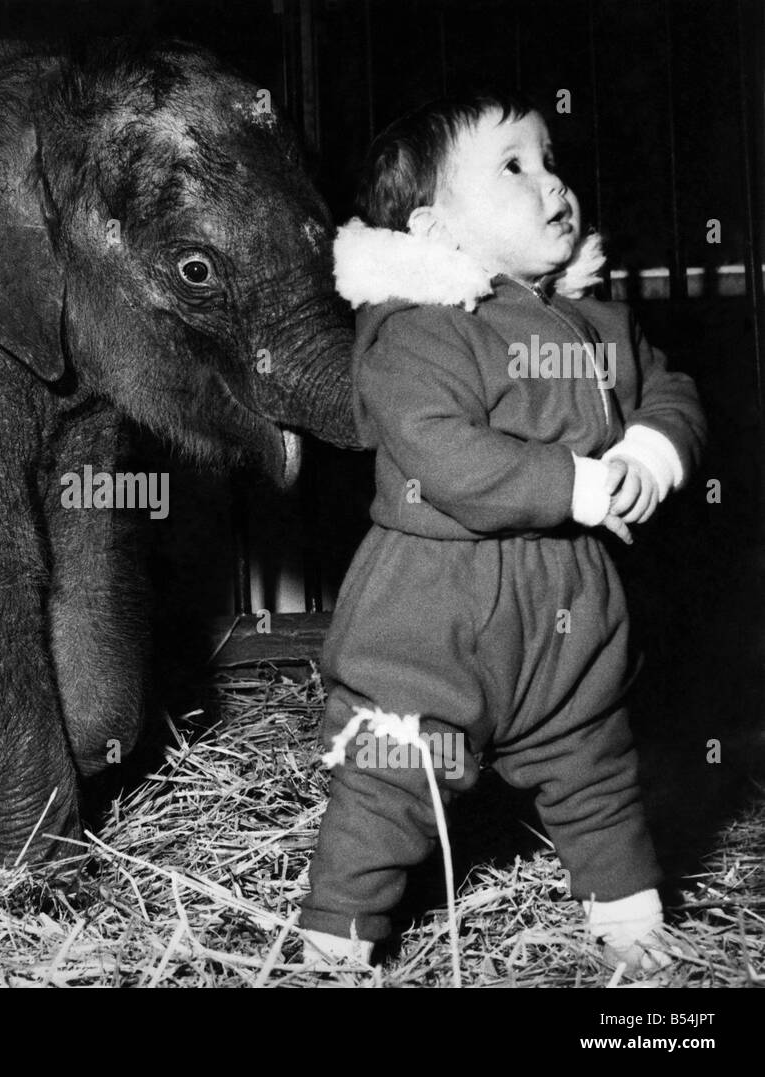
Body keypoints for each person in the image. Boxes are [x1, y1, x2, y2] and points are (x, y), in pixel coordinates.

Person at [300, 90, 706, 975]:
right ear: (436, 232)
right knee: (395, 777)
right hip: (434, 616)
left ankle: (638, 939)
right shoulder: (417, 334)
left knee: (594, 764)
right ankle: (334, 944)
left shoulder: (598, 323)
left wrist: (647, 451)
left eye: (549, 159)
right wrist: (581, 484)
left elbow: (670, 392)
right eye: (514, 167)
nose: (551, 182)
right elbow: (446, 456)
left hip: (572, 614)